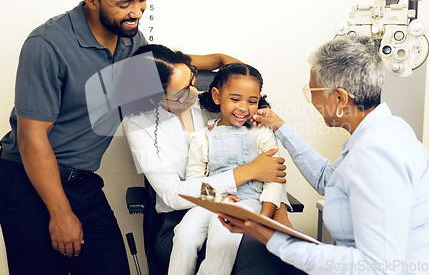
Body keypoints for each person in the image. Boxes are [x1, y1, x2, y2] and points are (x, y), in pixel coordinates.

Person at [0, 0, 238, 275]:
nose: (137, 12)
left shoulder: (131, 40)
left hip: (82, 182)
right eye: (124, 4)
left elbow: (171, 67)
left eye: (142, 0)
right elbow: (31, 138)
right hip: (26, 179)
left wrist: (224, 67)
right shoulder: (47, 45)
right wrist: (60, 213)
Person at [218, 36, 429, 274]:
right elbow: (326, 179)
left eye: (313, 90)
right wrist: (280, 127)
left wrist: (268, 235)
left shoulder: (376, 154)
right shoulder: (384, 132)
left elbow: (377, 267)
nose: (311, 101)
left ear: (339, 98)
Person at [124, 45, 303, 274]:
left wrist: (280, 213)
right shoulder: (139, 125)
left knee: (258, 244)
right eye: (181, 92)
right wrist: (246, 174)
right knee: (237, 243)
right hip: (180, 217)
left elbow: (267, 162)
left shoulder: (214, 104)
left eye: (192, 80)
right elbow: (172, 194)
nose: (193, 93)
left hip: (244, 203)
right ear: (153, 99)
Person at [168, 63, 287, 275]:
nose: (244, 108)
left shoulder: (262, 134)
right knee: (184, 233)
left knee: (224, 227)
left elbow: (274, 179)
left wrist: (266, 216)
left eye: (252, 101)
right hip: (213, 201)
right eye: (235, 99)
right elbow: (193, 182)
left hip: (250, 202)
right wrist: (217, 200)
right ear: (216, 96)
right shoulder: (203, 137)